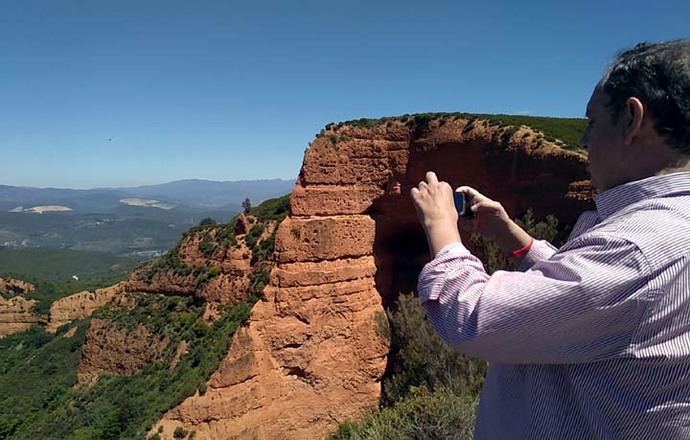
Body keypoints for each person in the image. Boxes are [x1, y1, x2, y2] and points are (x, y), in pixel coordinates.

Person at [411, 40, 690, 439]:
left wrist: (441, 226)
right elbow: (591, 294)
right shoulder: (666, 231)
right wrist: (516, 239)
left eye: (592, 122)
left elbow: (472, 318)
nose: (583, 140)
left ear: (632, 119)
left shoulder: (639, 249)